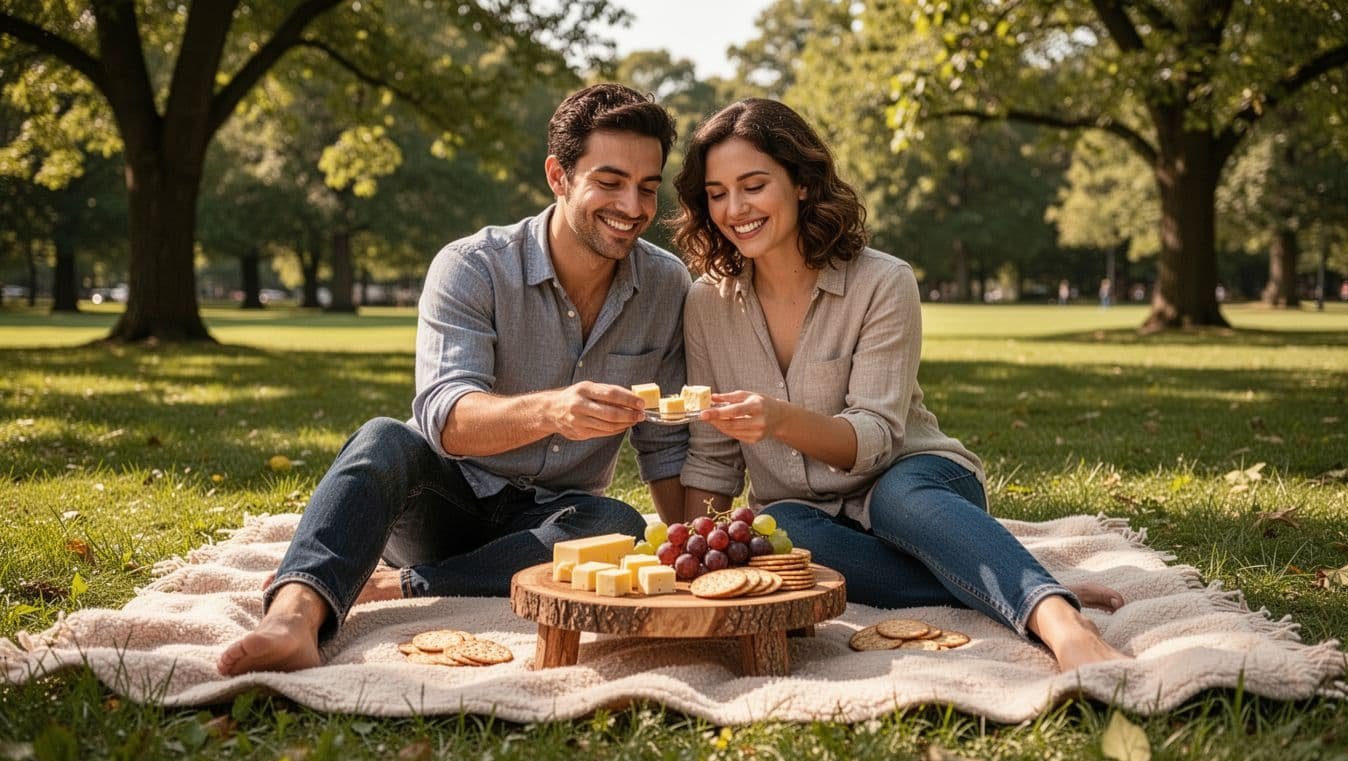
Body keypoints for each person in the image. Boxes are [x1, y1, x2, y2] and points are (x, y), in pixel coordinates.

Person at [218, 84, 691, 676]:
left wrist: (691, 553)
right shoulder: (473, 266)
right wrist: (553, 411)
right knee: (384, 438)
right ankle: (292, 617)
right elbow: (446, 420)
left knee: (619, 526)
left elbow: (666, 444)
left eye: (648, 187)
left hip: (547, 526)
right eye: (610, 181)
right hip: (442, 505)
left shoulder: (668, 285)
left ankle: (407, 586)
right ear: (559, 176)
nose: (633, 205)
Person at [670, 98, 1128, 672]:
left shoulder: (883, 281)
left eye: (754, 185)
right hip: (812, 514)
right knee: (779, 530)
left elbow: (877, 437)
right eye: (717, 193)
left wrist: (779, 419)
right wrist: (689, 563)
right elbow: (712, 458)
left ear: (803, 184)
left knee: (897, 500)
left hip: (916, 480)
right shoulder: (706, 301)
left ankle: (1062, 624)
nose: (735, 209)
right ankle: (1010, 583)